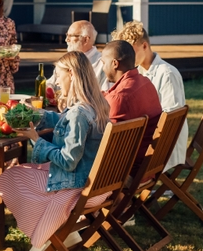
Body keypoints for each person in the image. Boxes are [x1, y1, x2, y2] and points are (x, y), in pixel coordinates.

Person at [0, 51, 112, 251]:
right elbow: (63, 118)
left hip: (77, 186)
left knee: (10, 178)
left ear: (73, 75)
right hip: (100, 184)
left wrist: (36, 140)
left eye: (59, 76)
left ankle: (45, 238)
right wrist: (37, 115)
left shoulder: (78, 113)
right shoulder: (97, 105)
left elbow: (68, 161)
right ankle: (62, 234)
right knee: (25, 172)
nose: (56, 82)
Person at [111, 21, 189, 170]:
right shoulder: (137, 72)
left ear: (145, 46)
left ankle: (121, 190)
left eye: (132, 52)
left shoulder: (166, 74)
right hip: (148, 139)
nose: (128, 57)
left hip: (163, 147)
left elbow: (171, 119)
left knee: (116, 159)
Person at [100, 40, 162, 174]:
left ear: (115, 64)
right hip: (148, 164)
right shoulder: (145, 83)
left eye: (104, 63)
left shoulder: (120, 97)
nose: (103, 68)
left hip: (124, 171)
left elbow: (106, 145)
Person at [48, 20, 107, 99]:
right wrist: (48, 89)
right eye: (66, 35)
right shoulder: (66, 60)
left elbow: (104, 94)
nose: (66, 39)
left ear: (86, 40)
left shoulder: (102, 63)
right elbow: (51, 82)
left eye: (71, 36)